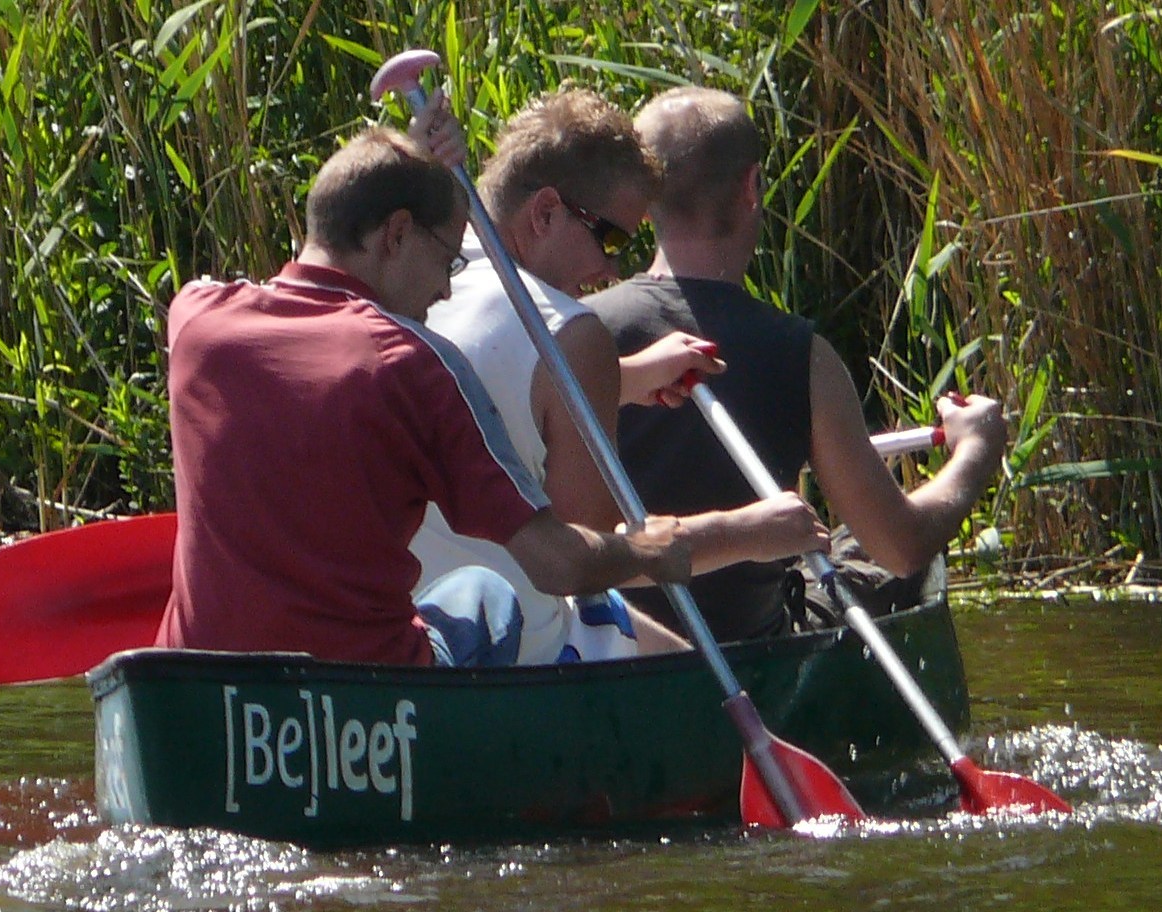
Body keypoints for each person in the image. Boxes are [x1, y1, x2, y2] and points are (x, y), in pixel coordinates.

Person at [154, 126, 694, 668]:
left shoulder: (196, 318)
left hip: (199, 680)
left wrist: (404, 164)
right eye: (448, 260)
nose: (445, 292)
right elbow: (557, 564)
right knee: (486, 592)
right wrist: (650, 549)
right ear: (396, 233)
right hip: (369, 696)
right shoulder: (416, 366)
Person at [410, 88, 831, 664]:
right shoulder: (570, 334)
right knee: (690, 675)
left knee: (665, 648)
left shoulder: (417, 280)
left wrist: (626, 377)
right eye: (610, 238)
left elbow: (495, 391)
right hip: (512, 647)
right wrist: (750, 531)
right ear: (546, 212)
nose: (612, 269)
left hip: (417, 620)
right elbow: (594, 562)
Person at [586, 86, 1008, 641]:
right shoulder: (802, 356)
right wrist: (976, 450)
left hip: (607, 648)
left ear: (643, 199)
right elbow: (900, 545)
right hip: (749, 653)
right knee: (908, 562)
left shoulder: (574, 332)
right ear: (751, 186)